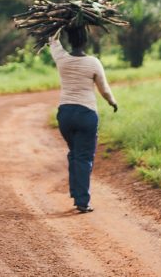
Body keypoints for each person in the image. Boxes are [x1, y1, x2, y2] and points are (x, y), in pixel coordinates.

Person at [49, 25, 118, 213]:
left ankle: (76, 193)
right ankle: (82, 201)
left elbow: (52, 41)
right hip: (86, 114)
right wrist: (113, 102)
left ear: (69, 40)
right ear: (85, 40)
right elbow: (104, 89)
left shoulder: (61, 58)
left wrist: (61, 24)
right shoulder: (93, 62)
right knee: (83, 157)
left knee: (75, 153)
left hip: (65, 115)